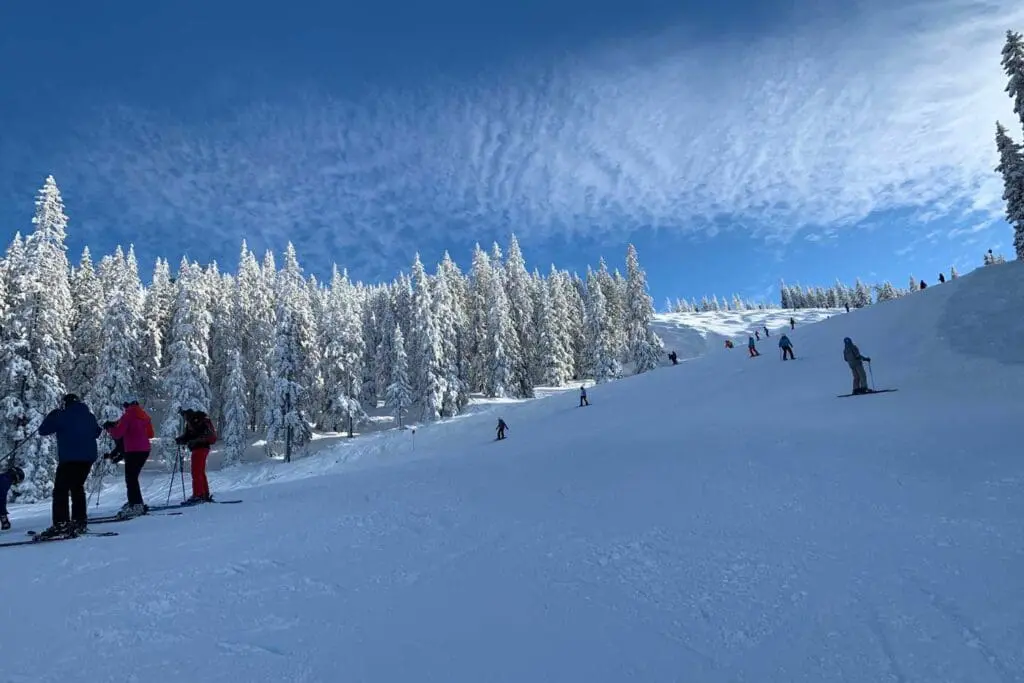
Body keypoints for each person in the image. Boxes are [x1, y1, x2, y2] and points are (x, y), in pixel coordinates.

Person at [35, 394, 102, 539]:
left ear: (65, 404)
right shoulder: (89, 416)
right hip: (88, 459)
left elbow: (43, 430)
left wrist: (52, 415)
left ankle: (61, 524)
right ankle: (79, 521)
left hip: (70, 459)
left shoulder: (61, 415)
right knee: (77, 487)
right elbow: (97, 432)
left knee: (61, 490)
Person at [103, 399, 155, 519]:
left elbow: (118, 433)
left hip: (133, 450)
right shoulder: (144, 416)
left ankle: (136, 505)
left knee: (131, 479)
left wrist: (110, 429)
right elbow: (150, 434)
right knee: (133, 478)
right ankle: (136, 502)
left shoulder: (127, 416)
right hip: (144, 450)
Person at [175, 408, 218, 504]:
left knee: (196, 472)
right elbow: (189, 436)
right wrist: (181, 439)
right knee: (200, 472)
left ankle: (198, 495)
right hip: (202, 449)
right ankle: (204, 494)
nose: (184, 417)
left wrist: (191, 441)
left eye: (183, 414)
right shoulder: (194, 421)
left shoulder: (196, 421)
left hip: (200, 449)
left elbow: (199, 436)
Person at [0, 465, 25, 531]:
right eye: (18, 481)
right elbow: (1, 498)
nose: (15, 483)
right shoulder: (5, 481)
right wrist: (3, 516)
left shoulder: (3, 477)